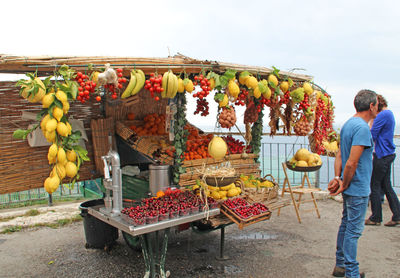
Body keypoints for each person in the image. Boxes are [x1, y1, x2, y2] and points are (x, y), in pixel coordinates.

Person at [328, 89, 378, 278]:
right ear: (371, 106)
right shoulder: (362, 128)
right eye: (376, 106)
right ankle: (352, 273)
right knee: (353, 232)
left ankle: (341, 265)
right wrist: (346, 183)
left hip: (349, 187)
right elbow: (352, 162)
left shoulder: (348, 124)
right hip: (357, 188)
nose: (377, 109)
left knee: (345, 225)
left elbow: (340, 155)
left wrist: (337, 178)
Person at [365, 94, 400, 226]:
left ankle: (375, 217)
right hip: (387, 153)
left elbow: (372, 135)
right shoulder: (388, 114)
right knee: (386, 185)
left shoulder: (382, 115)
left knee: (374, 185)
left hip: (381, 154)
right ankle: (397, 215)